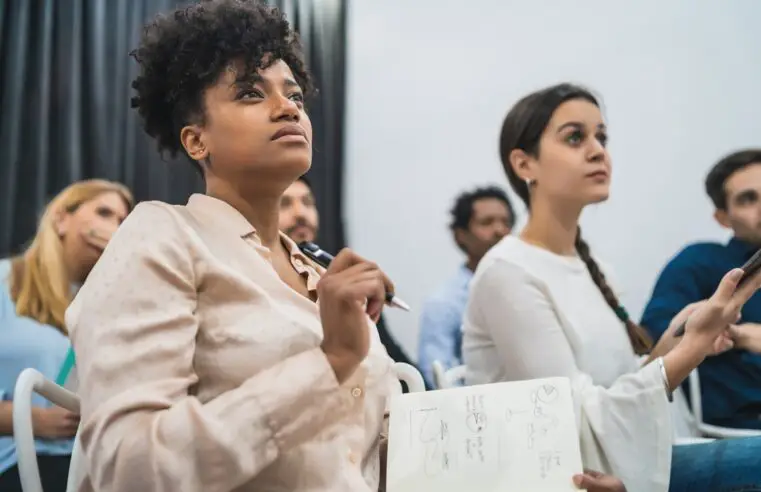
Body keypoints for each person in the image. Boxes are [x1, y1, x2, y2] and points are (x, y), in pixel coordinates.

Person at [65, 2, 401, 491]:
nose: (288, 107)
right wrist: (328, 362)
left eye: (295, 96)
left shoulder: (321, 274)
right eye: (249, 93)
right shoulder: (163, 236)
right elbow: (130, 468)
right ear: (196, 140)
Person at [462, 82, 761, 492]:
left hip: (623, 460)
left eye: (601, 137)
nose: (598, 150)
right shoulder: (507, 272)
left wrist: (677, 340)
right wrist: (691, 350)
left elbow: (620, 385)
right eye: (574, 137)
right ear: (524, 164)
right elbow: (573, 422)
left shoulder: (593, 266)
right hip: (573, 475)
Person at [0, 179, 132, 492]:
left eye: (123, 223)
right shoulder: (5, 282)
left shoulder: (104, 310)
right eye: (103, 213)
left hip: (85, 468)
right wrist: (33, 420)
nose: (114, 228)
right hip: (16, 465)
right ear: (61, 219)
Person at [642, 149, 761, 429]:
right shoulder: (700, 263)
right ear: (723, 217)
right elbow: (659, 334)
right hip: (739, 429)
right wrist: (741, 335)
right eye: (748, 199)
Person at [279, 175, 417, 371]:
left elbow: (391, 354)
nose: (300, 213)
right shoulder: (263, 276)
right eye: (284, 204)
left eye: (308, 203)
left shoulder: (340, 273)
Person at [417, 185, 513, 386]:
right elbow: (439, 377)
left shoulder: (525, 289)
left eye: (506, 222)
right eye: (486, 222)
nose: (500, 231)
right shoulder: (444, 303)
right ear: (461, 235)